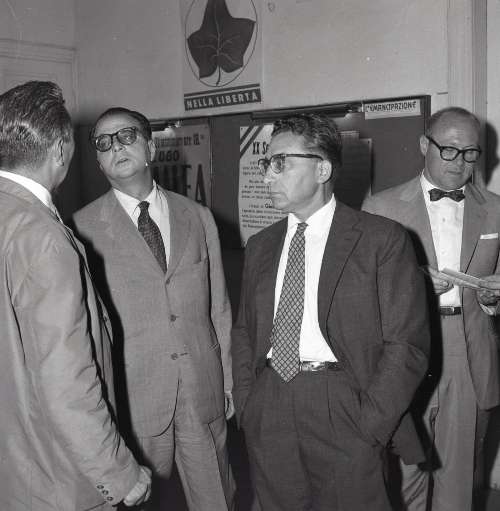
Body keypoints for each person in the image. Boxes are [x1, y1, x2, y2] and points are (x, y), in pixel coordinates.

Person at [232, 113, 430, 511]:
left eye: (280, 163)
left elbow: (406, 345)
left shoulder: (380, 240)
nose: (267, 176)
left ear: (322, 169)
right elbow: (244, 333)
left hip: (343, 403)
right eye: (266, 163)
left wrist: (370, 423)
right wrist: (249, 403)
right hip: (270, 402)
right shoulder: (260, 245)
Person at [73, 107, 235, 511]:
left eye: (126, 136)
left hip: (202, 389)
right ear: (98, 161)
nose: (116, 147)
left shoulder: (197, 217)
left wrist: (228, 381)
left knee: (218, 498)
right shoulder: (80, 228)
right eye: (104, 143)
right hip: (132, 400)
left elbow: (219, 307)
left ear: (150, 147)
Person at [0, 81, 152, 510]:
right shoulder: (41, 236)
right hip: (53, 475)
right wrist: (119, 474)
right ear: (60, 149)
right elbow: (65, 380)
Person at [363, 106, 500, 511]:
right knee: (405, 470)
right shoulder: (380, 207)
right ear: (425, 145)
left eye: (471, 153)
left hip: (468, 350)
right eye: (449, 150)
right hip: (404, 348)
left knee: (460, 476)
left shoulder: (496, 209)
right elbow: (362, 293)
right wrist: (413, 284)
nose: (460, 162)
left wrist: (493, 299)